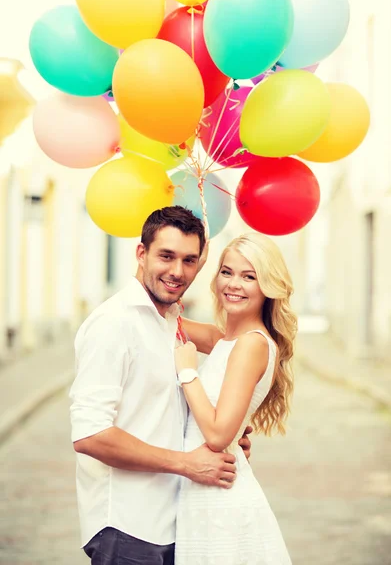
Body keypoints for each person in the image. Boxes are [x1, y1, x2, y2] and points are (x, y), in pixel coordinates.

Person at [69, 206, 252, 565]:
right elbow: (90, 434)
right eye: (166, 256)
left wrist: (220, 440)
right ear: (141, 253)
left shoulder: (169, 319)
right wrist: (187, 463)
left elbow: (165, 409)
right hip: (127, 526)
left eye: (189, 260)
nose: (177, 271)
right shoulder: (113, 324)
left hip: (175, 521)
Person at [174, 232, 297, 564]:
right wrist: (190, 266)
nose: (234, 284)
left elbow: (218, 435)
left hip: (221, 502)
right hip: (202, 492)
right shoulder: (227, 340)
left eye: (249, 276)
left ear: (268, 286)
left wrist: (188, 373)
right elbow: (167, 318)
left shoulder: (252, 344)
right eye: (226, 272)